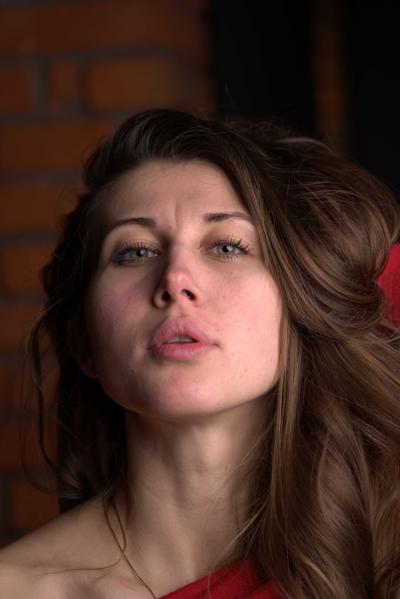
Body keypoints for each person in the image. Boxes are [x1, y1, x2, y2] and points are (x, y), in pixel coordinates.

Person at [0, 109, 399, 599]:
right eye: (135, 251)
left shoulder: (381, 555)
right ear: (85, 343)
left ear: (298, 305)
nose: (175, 280)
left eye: (227, 247)